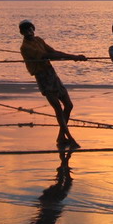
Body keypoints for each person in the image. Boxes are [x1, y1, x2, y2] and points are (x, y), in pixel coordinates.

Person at [19, 19, 87, 147]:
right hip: (42, 77)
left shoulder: (39, 40)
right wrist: (73, 57)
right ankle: (69, 138)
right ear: (22, 33)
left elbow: (53, 52)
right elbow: (46, 56)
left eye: (30, 29)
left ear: (33, 29)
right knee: (57, 107)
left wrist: (74, 57)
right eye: (26, 31)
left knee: (68, 105)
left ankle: (61, 136)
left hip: (52, 74)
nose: (29, 32)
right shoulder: (25, 47)